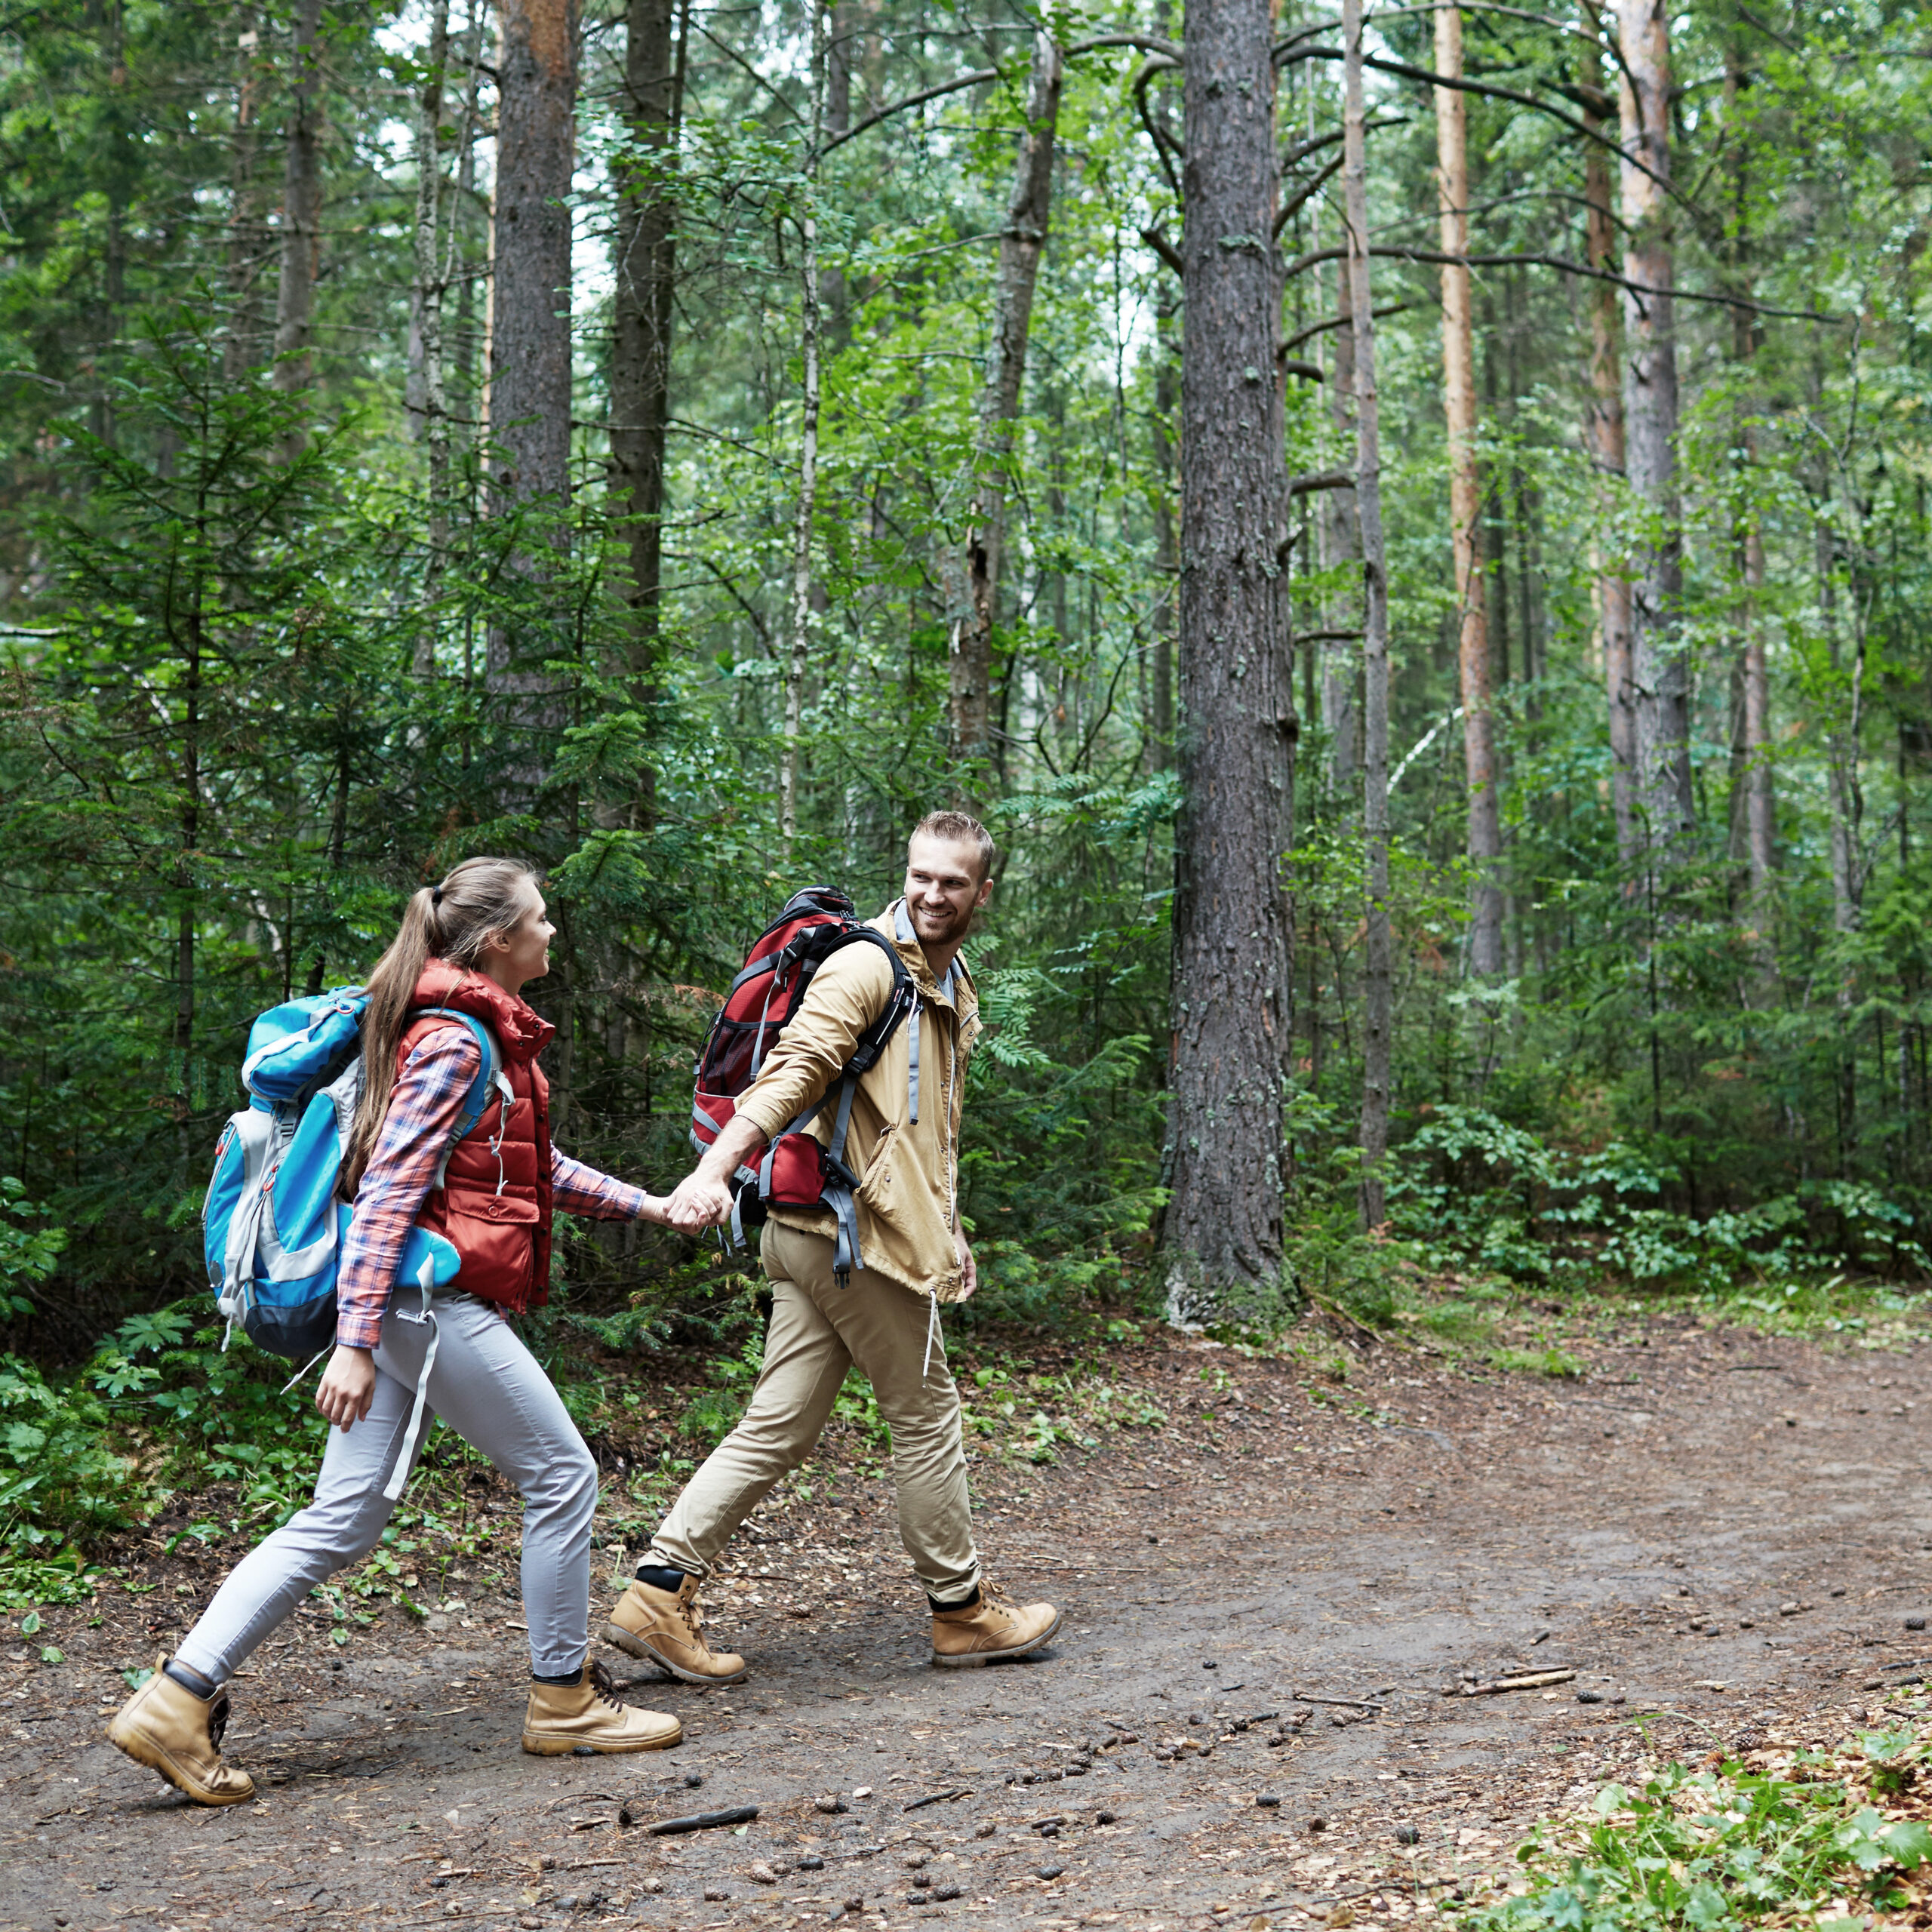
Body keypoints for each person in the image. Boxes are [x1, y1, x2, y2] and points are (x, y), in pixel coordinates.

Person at [109, 857, 681, 1808]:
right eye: (541, 921)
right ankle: (564, 1699)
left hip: (409, 1301)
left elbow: (528, 1167)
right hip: (423, 1300)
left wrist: (649, 1206)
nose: (553, 935)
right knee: (562, 1474)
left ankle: (176, 1698)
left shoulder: (455, 1030)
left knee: (344, 1516)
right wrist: (357, 1341)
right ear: (497, 940)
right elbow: (385, 1198)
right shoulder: (458, 1040)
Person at [601, 811, 1060, 1681]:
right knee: (927, 1417)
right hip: (854, 1238)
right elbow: (795, 1069)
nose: (931, 893)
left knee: (777, 1424)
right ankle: (960, 1611)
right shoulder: (864, 965)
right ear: (906, 870)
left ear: (981, 893)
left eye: (952, 882)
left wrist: (948, 1224)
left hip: (826, 1233)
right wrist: (715, 1168)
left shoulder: (948, 978)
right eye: (920, 874)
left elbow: (928, 1129)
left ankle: (655, 1594)